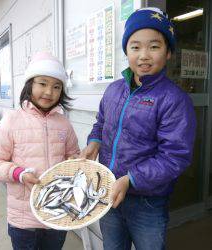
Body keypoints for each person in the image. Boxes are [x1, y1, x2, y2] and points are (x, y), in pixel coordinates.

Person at [80, 7, 196, 250]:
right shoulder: (113, 90)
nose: (144, 55)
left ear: (168, 53)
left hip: (148, 203)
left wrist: (131, 179)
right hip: (109, 191)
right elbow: (101, 123)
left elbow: (175, 156)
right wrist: (94, 142)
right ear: (127, 51)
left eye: (154, 46)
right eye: (135, 47)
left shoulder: (174, 99)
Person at [0, 52, 80, 250]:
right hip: (23, 219)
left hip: (57, 213)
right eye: (42, 83)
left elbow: (72, 158)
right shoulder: (11, 121)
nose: (49, 92)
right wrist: (18, 173)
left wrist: (79, 161)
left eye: (56, 86)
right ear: (29, 85)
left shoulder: (64, 124)